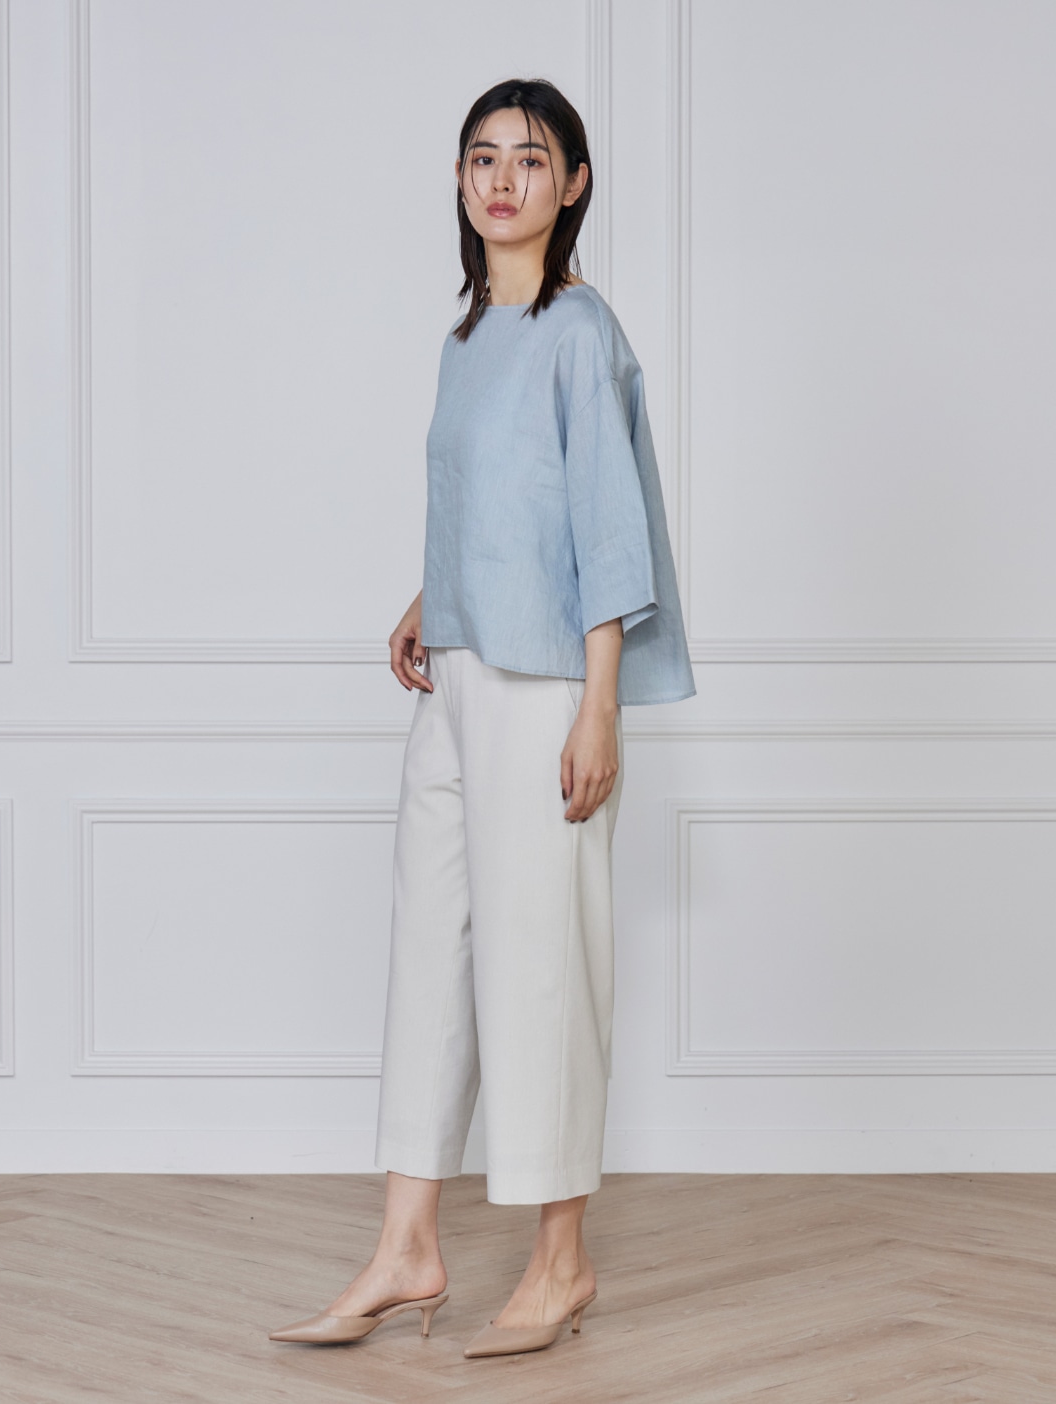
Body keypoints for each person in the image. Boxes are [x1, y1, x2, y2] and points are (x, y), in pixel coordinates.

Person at [269, 76, 695, 1360]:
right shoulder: (464, 339)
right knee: (430, 954)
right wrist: (429, 594)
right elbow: (498, 500)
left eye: (531, 158)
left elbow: (605, 527)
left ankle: (561, 1264)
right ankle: (408, 1248)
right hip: (454, 676)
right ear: (461, 182)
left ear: (574, 184)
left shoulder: (581, 330)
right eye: (481, 158)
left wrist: (601, 706)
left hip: (546, 686)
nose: (502, 180)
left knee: (542, 963)